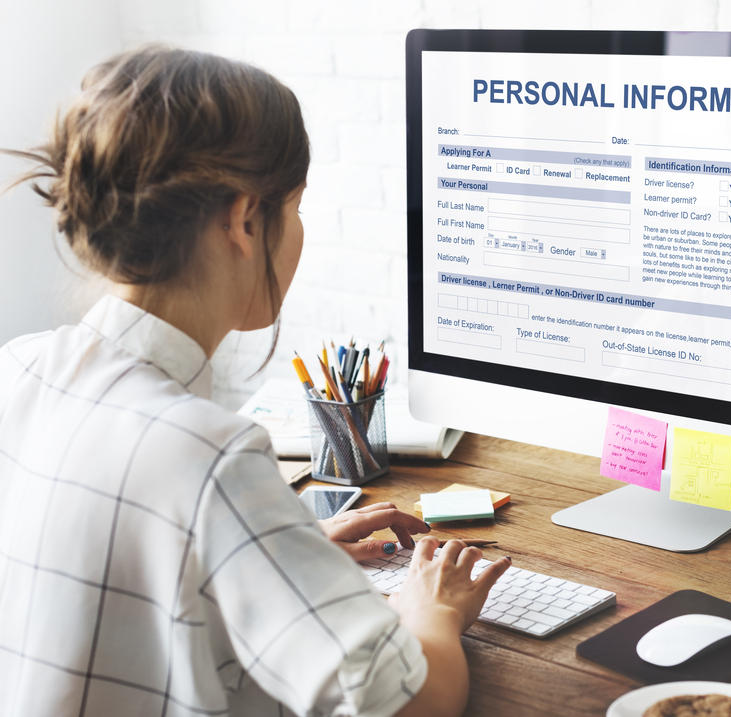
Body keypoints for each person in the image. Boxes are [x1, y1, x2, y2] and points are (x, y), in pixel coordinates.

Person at [0, 46, 509, 717]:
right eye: (294, 207)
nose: (296, 231)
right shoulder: (210, 454)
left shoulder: (18, 368)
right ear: (243, 220)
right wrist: (430, 609)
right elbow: (414, 701)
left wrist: (274, 549)